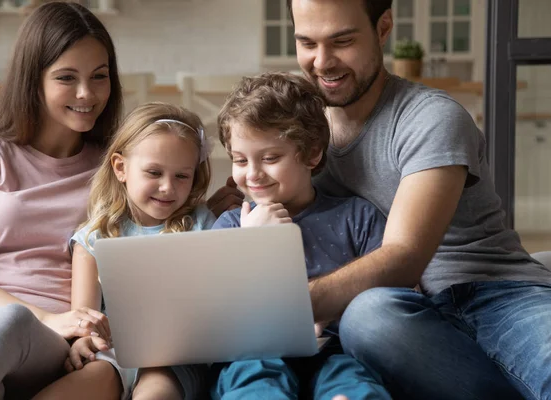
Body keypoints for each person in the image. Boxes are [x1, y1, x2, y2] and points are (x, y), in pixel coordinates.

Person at [287, 1, 551, 399]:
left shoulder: (430, 118)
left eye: (342, 41)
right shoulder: (300, 135)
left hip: (495, 294)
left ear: (383, 27)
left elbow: (406, 256)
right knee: (368, 315)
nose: (322, 61)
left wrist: (285, 306)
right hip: (400, 317)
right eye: (307, 43)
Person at [0, 3, 123, 399]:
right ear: (34, 80)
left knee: (12, 323)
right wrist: (46, 318)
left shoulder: (114, 167)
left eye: (100, 77)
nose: (87, 93)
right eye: (66, 77)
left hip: (48, 348)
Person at [210, 72, 392, 400]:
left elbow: (390, 297)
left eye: (270, 158)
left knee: (355, 382)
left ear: (311, 154)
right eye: (240, 160)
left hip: (338, 350)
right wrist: (253, 244)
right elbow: (217, 314)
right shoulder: (231, 225)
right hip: (256, 352)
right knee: (253, 379)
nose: (252, 174)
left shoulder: (357, 217)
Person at [66, 102, 216, 400]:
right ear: (121, 168)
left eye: (181, 176)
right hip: (113, 351)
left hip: (175, 358)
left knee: (154, 391)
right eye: (154, 172)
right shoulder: (93, 237)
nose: (167, 187)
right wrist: (82, 340)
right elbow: (83, 316)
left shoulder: (202, 224)